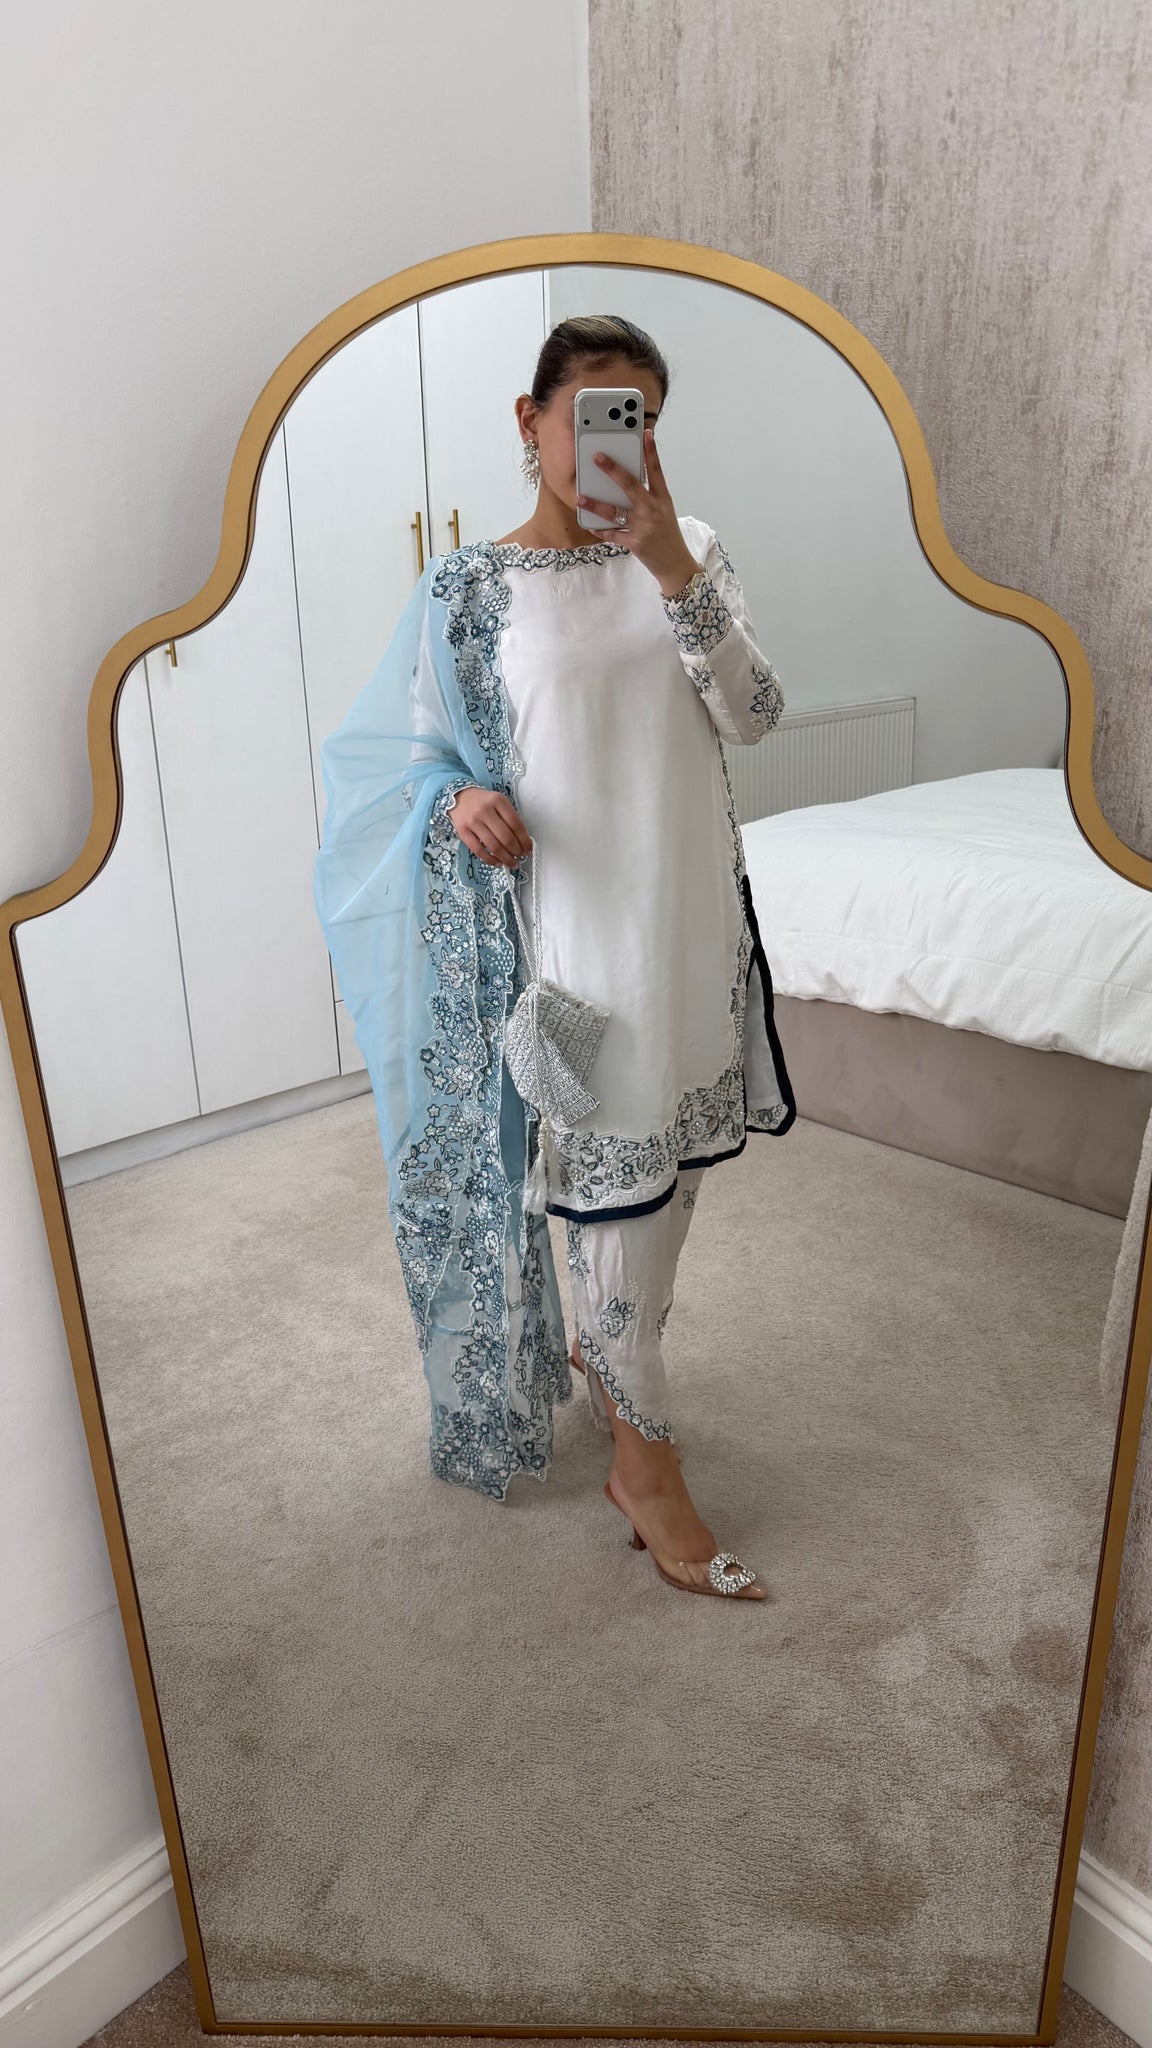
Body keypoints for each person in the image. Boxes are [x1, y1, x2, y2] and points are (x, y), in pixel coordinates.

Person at [314, 314, 794, 1602]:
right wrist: (456, 802)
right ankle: (646, 1468)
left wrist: (669, 563)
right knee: (608, 1204)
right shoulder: (468, 592)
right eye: (590, 414)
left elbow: (754, 715)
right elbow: (400, 765)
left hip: (692, 937)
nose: (612, 441)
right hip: (576, 959)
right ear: (531, 423)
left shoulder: (693, 553)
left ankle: (619, 1367)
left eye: (640, 416)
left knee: (665, 1197)